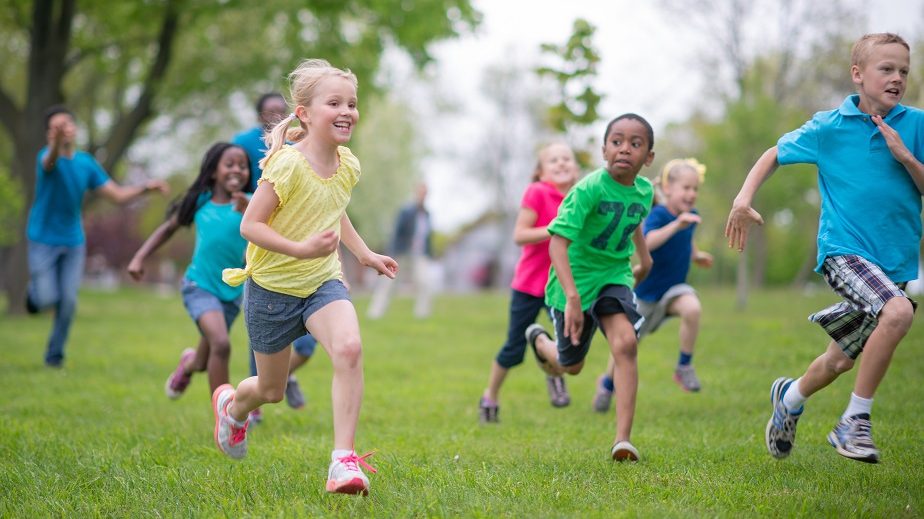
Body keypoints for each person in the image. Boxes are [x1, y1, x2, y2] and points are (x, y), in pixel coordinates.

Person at [726, 33, 921, 464]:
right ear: (858, 74)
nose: (897, 78)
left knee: (839, 362)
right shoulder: (828, 127)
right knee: (899, 312)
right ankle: (855, 422)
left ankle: (789, 398)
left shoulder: (917, 125)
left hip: (896, 265)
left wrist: (906, 157)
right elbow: (774, 152)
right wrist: (743, 199)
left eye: (903, 71)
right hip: (844, 253)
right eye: (886, 69)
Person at [216, 59, 398, 496]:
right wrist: (299, 249)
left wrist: (365, 253)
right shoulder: (287, 166)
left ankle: (343, 462)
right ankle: (232, 407)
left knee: (350, 348)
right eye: (334, 102)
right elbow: (251, 226)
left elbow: (335, 211)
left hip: (322, 282)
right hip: (272, 290)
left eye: (351, 103)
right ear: (304, 113)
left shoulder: (347, 164)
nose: (346, 110)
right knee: (271, 390)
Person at [527, 114, 655, 461]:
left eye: (635, 143)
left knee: (626, 343)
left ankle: (622, 440)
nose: (624, 149)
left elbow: (634, 219)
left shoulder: (645, 191)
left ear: (649, 156)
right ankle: (541, 342)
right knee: (572, 366)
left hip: (613, 276)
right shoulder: (589, 189)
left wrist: (644, 259)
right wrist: (571, 297)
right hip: (574, 282)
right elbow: (557, 243)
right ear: (603, 150)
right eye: (616, 141)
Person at [26, 105, 168, 368]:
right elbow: (51, 161)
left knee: (68, 301)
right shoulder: (45, 157)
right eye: (55, 127)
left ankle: (54, 356)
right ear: (49, 134)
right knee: (45, 299)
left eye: (65, 124)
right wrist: (56, 144)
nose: (61, 130)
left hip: (72, 240)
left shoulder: (85, 163)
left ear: (75, 129)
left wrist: (146, 188)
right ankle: (33, 295)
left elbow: (116, 195)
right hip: (43, 238)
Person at [127, 142, 251, 400]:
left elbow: (273, 234)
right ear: (214, 171)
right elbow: (168, 229)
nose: (237, 170)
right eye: (230, 164)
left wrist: (249, 211)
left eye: (243, 166)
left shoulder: (253, 203)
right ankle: (226, 414)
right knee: (221, 344)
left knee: (205, 361)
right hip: (199, 286)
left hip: (231, 293)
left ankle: (188, 364)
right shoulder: (200, 201)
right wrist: (139, 257)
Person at [592, 158, 713, 412]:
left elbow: (686, 239)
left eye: (695, 189)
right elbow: (648, 242)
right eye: (686, 188)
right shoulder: (659, 214)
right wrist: (675, 225)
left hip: (674, 290)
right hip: (645, 296)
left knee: (693, 308)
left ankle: (684, 366)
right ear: (668, 188)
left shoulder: (692, 217)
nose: (691, 194)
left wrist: (696, 254)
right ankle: (606, 384)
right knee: (626, 344)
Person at [478, 141, 579, 423]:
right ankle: (490, 397)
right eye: (554, 160)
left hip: (560, 285)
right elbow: (519, 235)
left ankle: (553, 373)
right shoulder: (537, 192)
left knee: (570, 339)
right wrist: (553, 228)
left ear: (576, 170)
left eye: (566, 159)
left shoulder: (579, 198)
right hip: (529, 285)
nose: (561, 163)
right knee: (513, 348)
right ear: (541, 172)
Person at [233, 92, 316, 423]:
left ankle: (285, 376)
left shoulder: (301, 143)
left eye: (280, 111)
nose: (275, 117)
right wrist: (246, 201)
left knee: (308, 347)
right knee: (265, 336)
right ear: (257, 116)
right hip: (265, 251)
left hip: (308, 259)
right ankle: (253, 403)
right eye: (269, 112)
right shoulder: (243, 142)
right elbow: (234, 176)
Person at [367, 182, 434, 319]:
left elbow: (427, 237)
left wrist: (429, 253)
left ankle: (422, 314)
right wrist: (392, 253)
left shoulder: (427, 214)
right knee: (389, 282)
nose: (423, 195)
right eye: (421, 192)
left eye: (425, 193)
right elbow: (397, 233)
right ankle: (375, 312)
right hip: (401, 252)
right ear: (416, 193)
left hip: (419, 254)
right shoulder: (406, 211)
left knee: (425, 281)